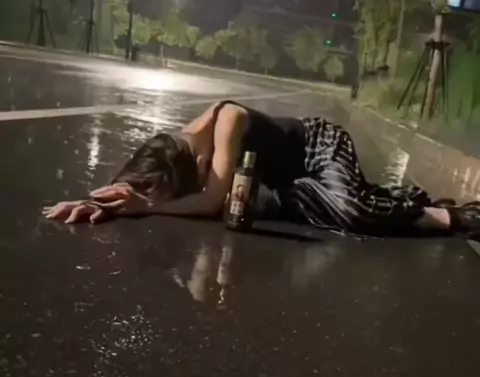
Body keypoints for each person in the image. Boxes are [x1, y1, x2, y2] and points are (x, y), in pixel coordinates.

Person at [43, 100, 480, 239]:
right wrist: (103, 200)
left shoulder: (226, 120)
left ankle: (452, 216)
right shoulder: (172, 150)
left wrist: (147, 207)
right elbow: (144, 183)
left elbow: (211, 199)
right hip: (283, 180)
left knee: (350, 211)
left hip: (317, 146)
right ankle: (404, 200)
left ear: (194, 164)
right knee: (312, 212)